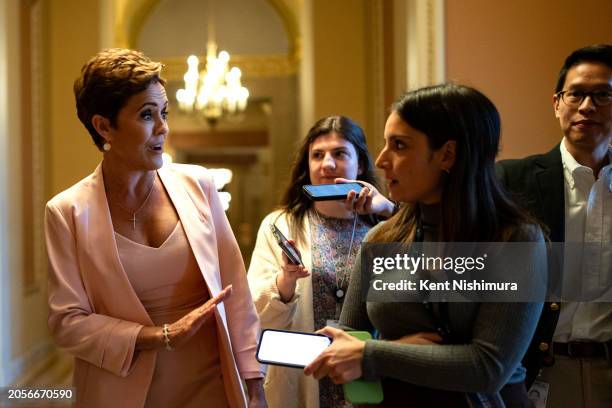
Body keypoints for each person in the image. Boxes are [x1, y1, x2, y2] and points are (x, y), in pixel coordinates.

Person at [45, 48, 265, 408]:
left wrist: (253, 381)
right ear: (104, 126)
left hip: (212, 385)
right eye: (147, 115)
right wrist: (156, 336)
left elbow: (235, 290)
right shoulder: (66, 211)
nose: (163, 127)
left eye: (164, 113)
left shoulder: (200, 186)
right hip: (119, 391)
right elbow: (67, 323)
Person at [304, 84, 546, 407]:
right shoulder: (380, 240)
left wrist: (378, 354)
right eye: (385, 144)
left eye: (400, 146)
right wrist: (395, 352)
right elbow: (345, 345)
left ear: (447, 154)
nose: (381, 160)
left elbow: (488, 367)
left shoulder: (515, 240)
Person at [247, 116, 394, 408]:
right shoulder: (281, 225)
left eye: (339, 154)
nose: (327, 164)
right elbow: (253, 311)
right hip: (302, 375)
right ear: (307, 166)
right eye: (317, 155)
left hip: (371, 373)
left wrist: (390, 210)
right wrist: (286, 281)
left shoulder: (386, 226)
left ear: (360, 165)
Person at [497, 44, 612, 408]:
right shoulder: (511, 180)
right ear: (557, 103)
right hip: (538, 373)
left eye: (603, 95)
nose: (587, 106)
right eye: (576, 93)